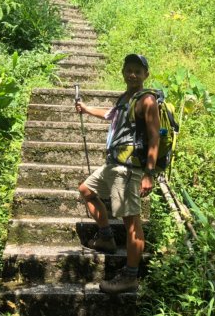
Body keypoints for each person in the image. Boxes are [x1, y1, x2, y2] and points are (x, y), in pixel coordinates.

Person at [75, 53, 160, 294]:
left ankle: (130, 276)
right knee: (86, 190)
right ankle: (105, 236)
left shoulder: (147, 100)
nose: (132, 73)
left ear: (146, 74)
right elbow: (109, 114)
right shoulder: (125, 98)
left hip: (128, 169)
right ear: (123, 71)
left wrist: (148, 174)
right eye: (129, 69)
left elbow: (154, 136)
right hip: (113, 164)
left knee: (131, 221)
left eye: (137, 70)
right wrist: (86, 108)